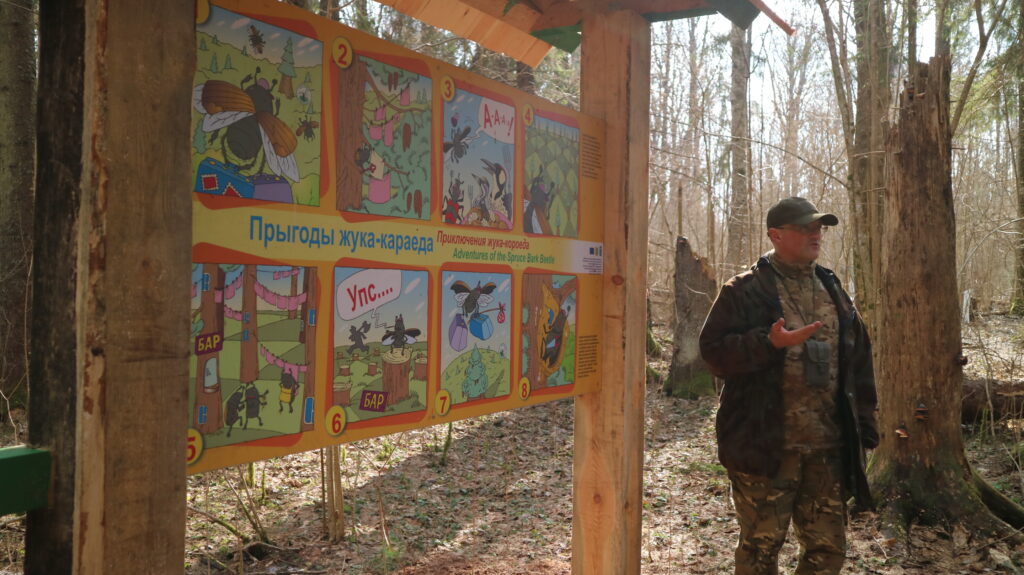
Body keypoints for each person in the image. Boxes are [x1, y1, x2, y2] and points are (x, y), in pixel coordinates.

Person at [699, 197, 878, 575]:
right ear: (776, 235)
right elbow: (712, 353)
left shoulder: (832, 287)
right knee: (760, 551)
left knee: (827, 551)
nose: (816, 234)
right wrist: (767, 343)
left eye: (819, 228)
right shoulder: (745, 290)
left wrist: (865, 424)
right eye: (805, 228)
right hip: (765, 447)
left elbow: (859, 358)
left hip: (827, 449)